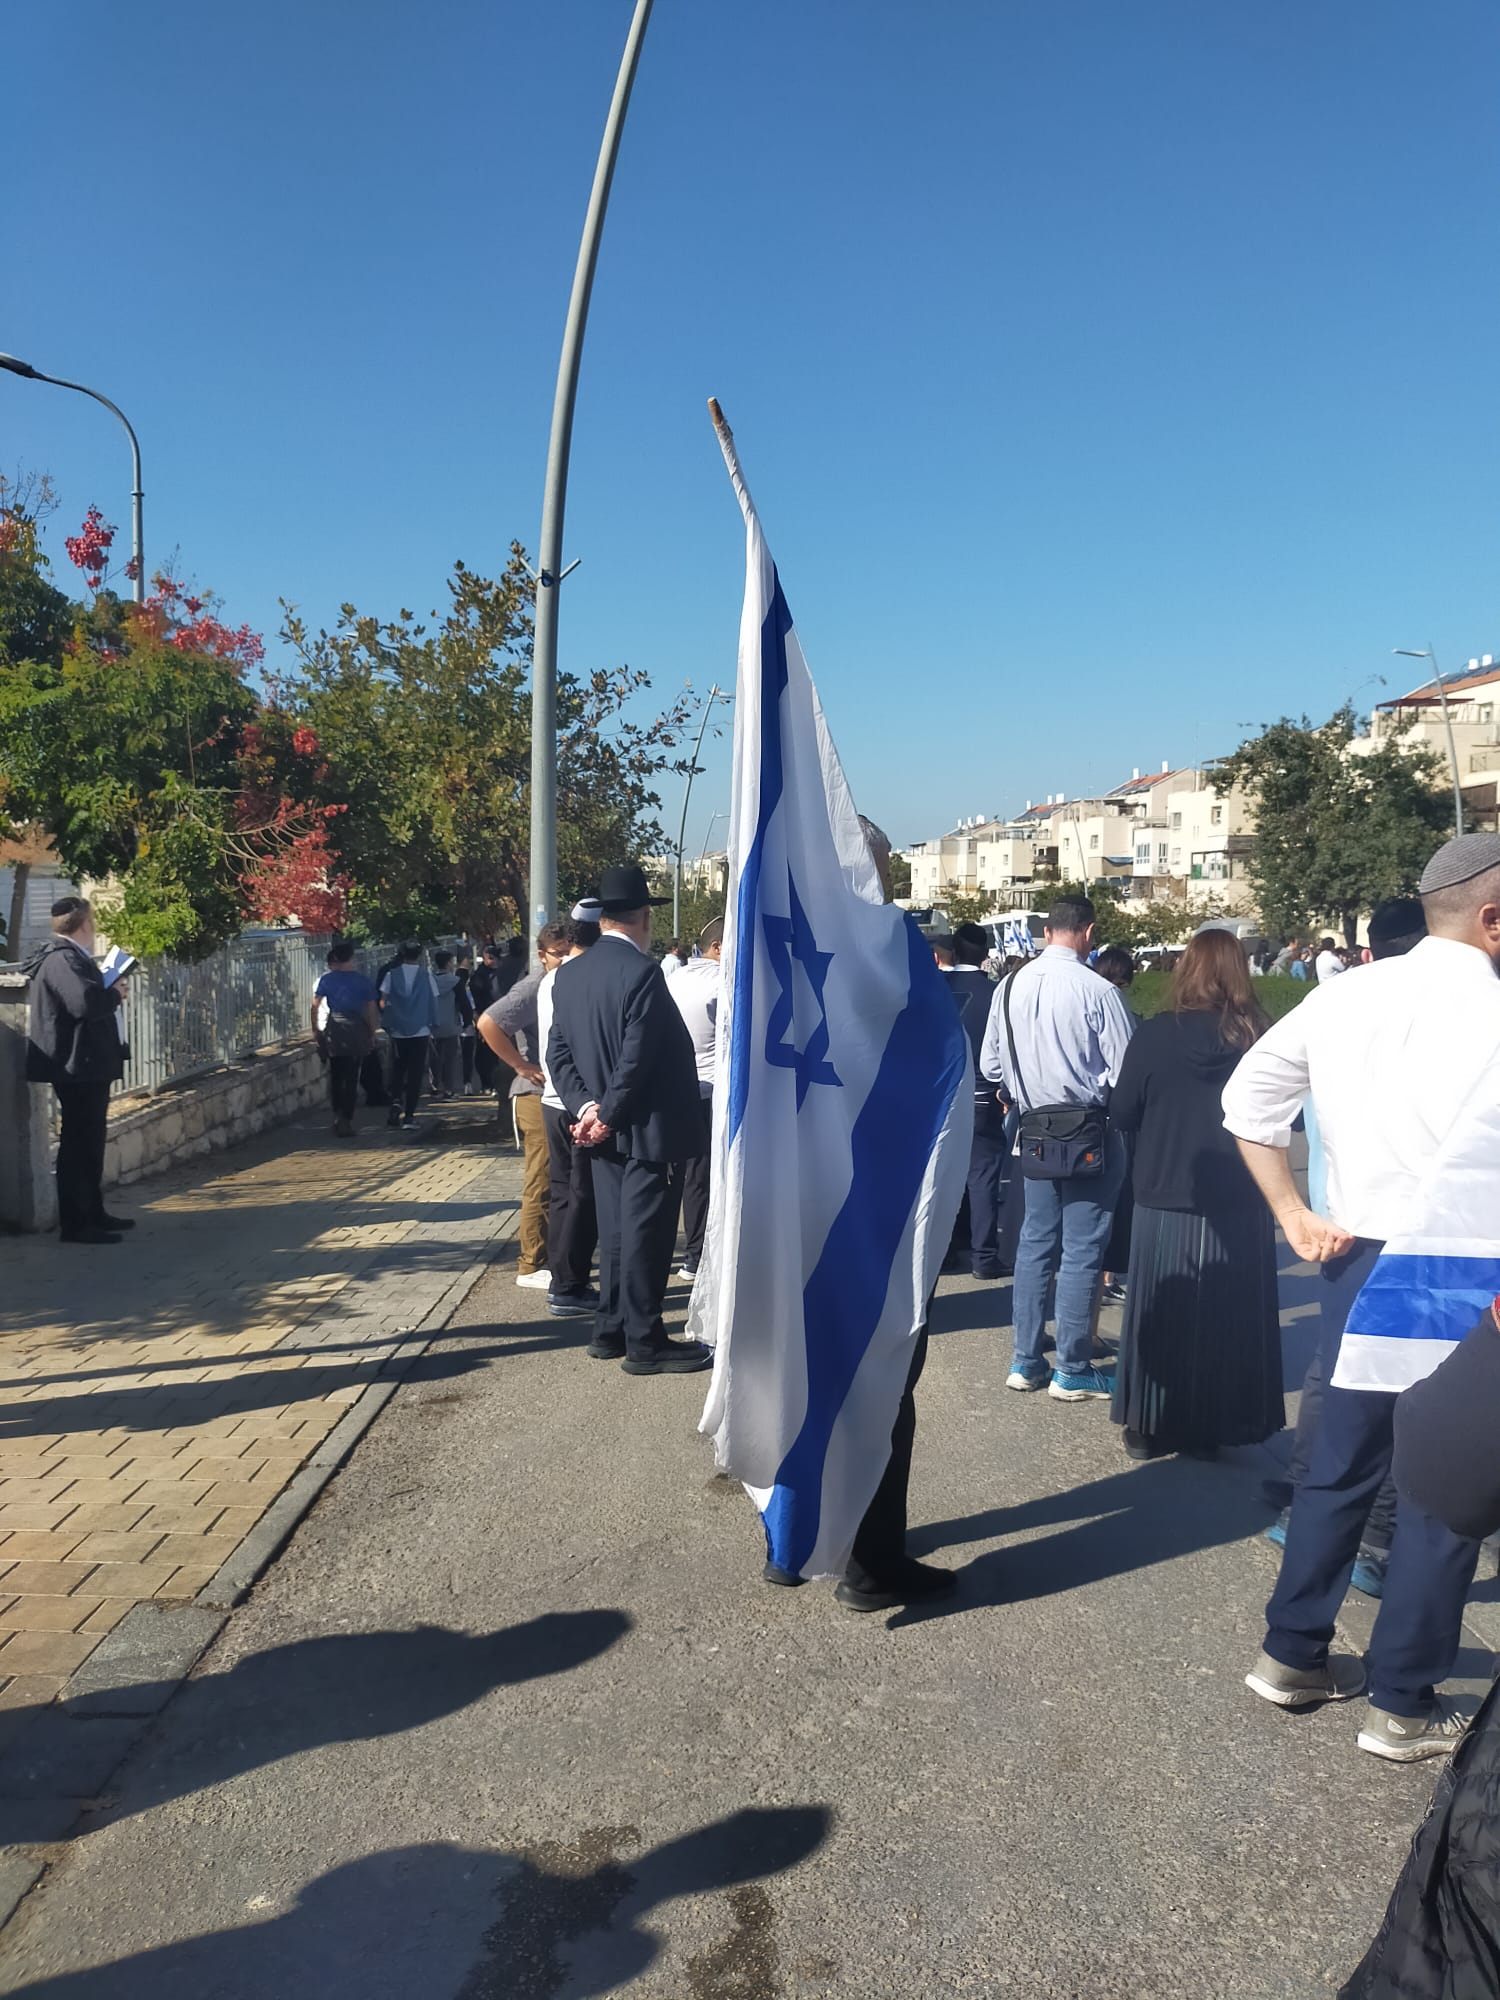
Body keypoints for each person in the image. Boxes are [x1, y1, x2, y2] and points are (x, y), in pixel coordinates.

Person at [1226, 833, 1500, 1760]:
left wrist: (1293, 1213)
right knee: (1440, 1493)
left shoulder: (1343, 993)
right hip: (1463, 1271)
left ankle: (1291, 1654)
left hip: (1355, 1253)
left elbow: (1248, 1100)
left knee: (1338, 1466)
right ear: (1494, 918)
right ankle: (1402, 1701)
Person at [1262, 898, 1428, 1594]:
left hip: (1338, 1221)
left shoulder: (1339, 1004)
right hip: (1414, 1229)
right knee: (1406, 1393)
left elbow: (1270, 1105)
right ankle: (1376, 1537)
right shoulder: (1453, 1013)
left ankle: (1306, 1504)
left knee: (1337, 1375)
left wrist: (1293, 1209)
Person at [1107, 930, 1282, 1460]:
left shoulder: (1157, 1034)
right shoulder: (1259, 1035)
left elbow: (1122, 1112)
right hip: (1242, 1193)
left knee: (1161, 1311)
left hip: (1164, 1188)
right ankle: (1213, 1425)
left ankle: (1148, 1424)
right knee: (1225, 1316)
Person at [546, 865, 712, 1375]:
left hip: (602, 1124)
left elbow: (559, 1054)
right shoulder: (641, 974)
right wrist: (608, 1115)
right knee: (646, 1235)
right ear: (642, 917)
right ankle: (644, 1340)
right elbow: (638, 1058)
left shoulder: (569, 974)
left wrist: (588, 1110)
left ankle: (610, 1327)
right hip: (645, 1128)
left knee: (617, 1231)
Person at [980, 895, 1135, 1401]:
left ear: (1047, 931)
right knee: (1083, 1249)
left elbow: (991, 1067)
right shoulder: (1098, 990)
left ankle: (1025, 1358)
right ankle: (1072, 1365)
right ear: (1088, 933)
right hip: (1091, 1129)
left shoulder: (1007, 987)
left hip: (1032, 1130)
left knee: (1034, 1243)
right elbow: (1126, 1073)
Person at [23, 896, 132, 1245]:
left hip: (86, 1064)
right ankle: (76, 1223)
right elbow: (83, 1003)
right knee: (77, 1145)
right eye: (93, 922)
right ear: (85, 925)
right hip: (75, 1066)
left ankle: (94, 1212)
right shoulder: (62, 959)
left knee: (91, 1142)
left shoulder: (71, 957)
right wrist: (114, 992)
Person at [479, 924, 569, 1290]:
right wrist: (519, 1064)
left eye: (568, 951)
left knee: (560, 1179)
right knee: (541, 1179)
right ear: (541, 954)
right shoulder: (533, 987)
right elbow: (488, 1022)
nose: (563, 959)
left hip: (557, 1094)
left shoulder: (563, 983)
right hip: (533, 1094)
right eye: (556, 953)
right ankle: (530, 1264)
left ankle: (552, 1256)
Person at [538, 909, 602, 1320]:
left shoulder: (552, 978)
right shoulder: (585, 976)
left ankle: (561, 1278)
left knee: (564, 1193)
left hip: (553, 1099)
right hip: (577, 1102)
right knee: (582, 1196)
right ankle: (570, 1284)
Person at [938, 923, 1009, 1281]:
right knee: (983, 1176)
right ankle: (984, 1255)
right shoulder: (997, 993)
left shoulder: (934, 989)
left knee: (944, 1174)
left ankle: (947, 1249)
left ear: (952, 950)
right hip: (983, 1094)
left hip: (942, 1096)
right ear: (984, 954)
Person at [667, 914, 723, 1282]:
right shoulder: (723, 981)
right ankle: (698, 1254)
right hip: (712, 1090)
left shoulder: (676, 977)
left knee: (685, 1176)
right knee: (705, 1178)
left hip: (677, 1089)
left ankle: (688, 1253)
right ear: (718, 947)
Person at [1094, 945, 1137, 1306]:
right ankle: (1105, 1277)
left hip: (1087, 1114)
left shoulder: (1086, 995)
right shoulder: (1115, 1005)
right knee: (1115, 1201)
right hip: (1113, 1116)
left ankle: (1102, 1278)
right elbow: (1124, 1069)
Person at [311, 940, 378, 1137]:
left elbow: (315, 1006)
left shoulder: (327, 980)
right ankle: (346, 1119)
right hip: (355, 1027)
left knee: (336, 1074)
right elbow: (372, 1009)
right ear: (349, 959)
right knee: (351, 1075)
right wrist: (372, 1032)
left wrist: (316, 1030)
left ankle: (337, 1114)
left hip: (335, 1028)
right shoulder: (362, 980)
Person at [378, 940, 436, 1128]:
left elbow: (382, 1001)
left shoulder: (391, 975)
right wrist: (433, 1023)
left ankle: (395, 1101)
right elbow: (432, 1001)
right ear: (418, 955)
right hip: (420, 1029)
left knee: (398, 1069)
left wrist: (389, 1019)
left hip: (398, 1030)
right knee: (415, 1073)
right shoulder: (426, 975)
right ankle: (409, 1116)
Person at [427, 949, 464, 1099]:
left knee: (434, 1058)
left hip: (431, 1025)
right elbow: (463, 1003)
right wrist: (467, 1021)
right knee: (450, 1059)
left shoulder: (429, 981)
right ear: (449, 963)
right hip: (450, 1024)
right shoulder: (455, 982)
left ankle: (435, 1086)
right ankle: (449, 1089)